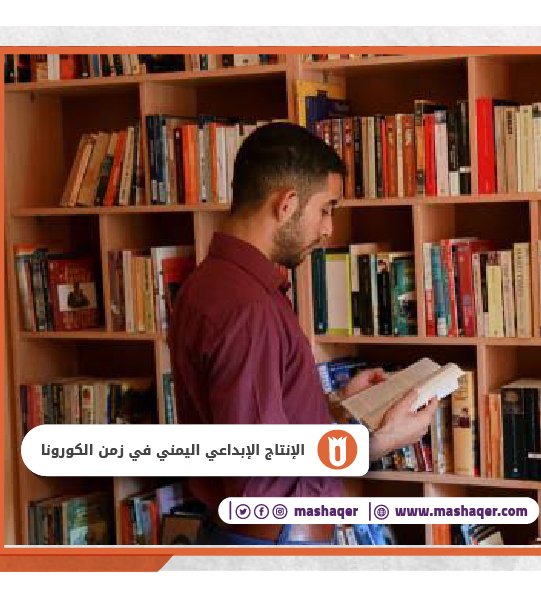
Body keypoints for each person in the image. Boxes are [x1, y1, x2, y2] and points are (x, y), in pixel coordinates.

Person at [168, 122, 439, 545]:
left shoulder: (208, 284)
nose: (328, 229)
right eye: (326, 209)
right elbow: (260, 468)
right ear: (287, 204)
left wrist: (333, 405)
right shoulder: (248, 307)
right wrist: (380, 441)